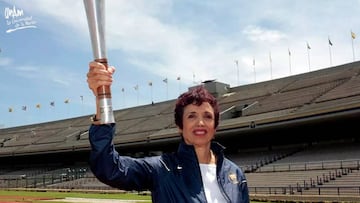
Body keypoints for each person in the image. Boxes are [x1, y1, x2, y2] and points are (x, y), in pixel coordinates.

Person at [87, 61, 250, 203]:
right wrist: (102, 99)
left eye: (207, 116)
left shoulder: (234, 173)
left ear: (215, 127)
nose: (200, 123)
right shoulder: (162, 169)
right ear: (180, 126)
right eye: (192, 116)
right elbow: (110, 168)